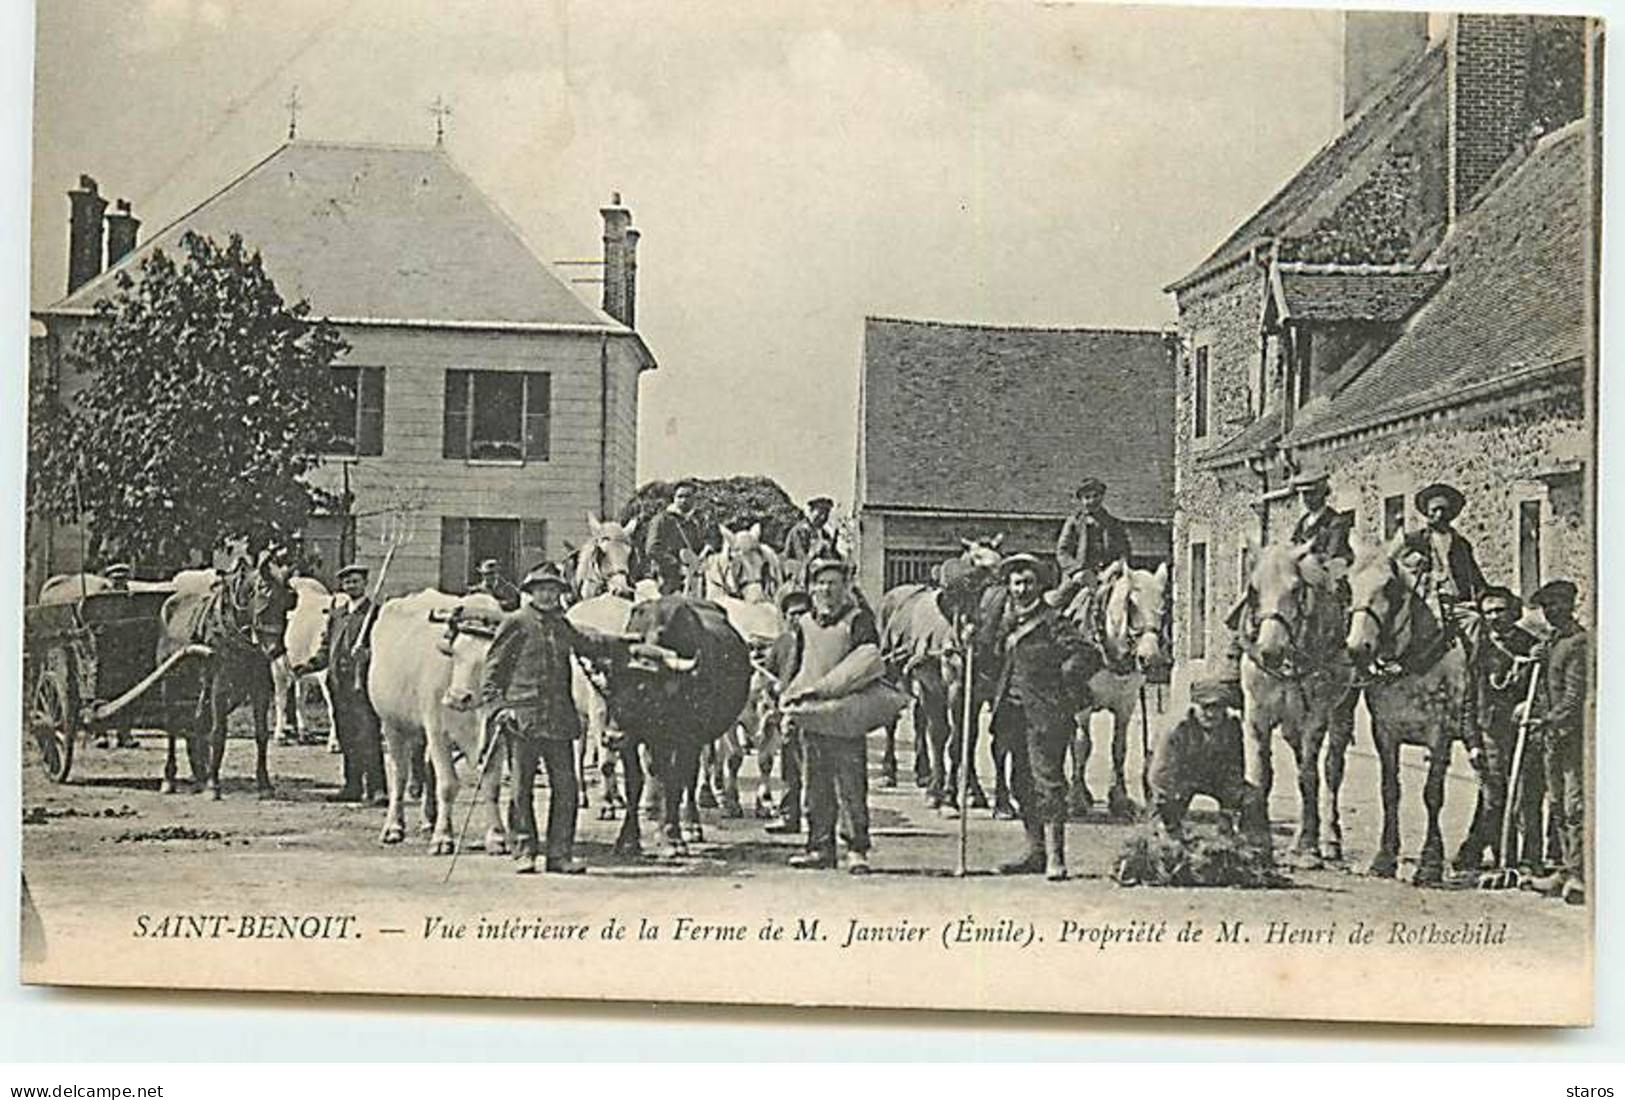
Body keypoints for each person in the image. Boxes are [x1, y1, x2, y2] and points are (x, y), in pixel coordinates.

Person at [480, 562, 628, 875]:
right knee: (521, 789)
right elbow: (492, 673)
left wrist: (624, 642)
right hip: (522, 719)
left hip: (560, 719)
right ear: (531, 593)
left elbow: (588, 645)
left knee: (567, 788)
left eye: (553, 590)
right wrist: (499, 709)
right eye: (542, 590)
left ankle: (560, 854)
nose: (548, 596)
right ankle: (524, 851)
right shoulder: (516, 623)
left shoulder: (562, 624)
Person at [778, 557, 882, 874]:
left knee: (850, 784)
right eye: (819, 584)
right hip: (812, 716)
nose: (825, 590)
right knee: (814, 783)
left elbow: (868, 662)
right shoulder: (805, 625)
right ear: (810, 589)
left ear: (845, 587)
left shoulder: (858, 621)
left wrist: (830, 690)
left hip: (846, 714)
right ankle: (819, 846)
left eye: (832, 583)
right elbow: (796, 669)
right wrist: (787, 706)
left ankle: (856, 849)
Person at [988, 553, 1085, 880]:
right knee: (1020, 783)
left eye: (1028, 582)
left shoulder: (1054, 621)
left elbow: (1085, 654)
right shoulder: (1004, 623)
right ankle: (1034, 850)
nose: (1022, 589)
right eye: (1016, 583)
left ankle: (1057, 857)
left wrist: (1060, 682)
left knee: (1049, 784)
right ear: (1009, 587)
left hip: (1045, 715)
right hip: (1011, 713)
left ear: (1039, 585)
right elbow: (991, 658)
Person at [1453, 586, 1538, 873]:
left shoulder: (1532, 646)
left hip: (1524, 731)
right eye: (1488, 612)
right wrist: (1472, 741)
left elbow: (1546, 688)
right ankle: (1501, 854)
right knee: (1493, 796)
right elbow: (1470, 699)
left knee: (1525, 795)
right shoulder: (1481, 649)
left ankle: (1526, 860)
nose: (1494, 617)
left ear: (1514, 612)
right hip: (1489, 732)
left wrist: (1530, 704)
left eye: (1500, 610)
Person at [1522, 580, 1588, 905]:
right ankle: (1565, 866)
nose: (1550, 612)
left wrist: (1548, 719)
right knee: (1558, 804)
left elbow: (1575, 698)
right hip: (1552, 736)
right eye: (1546, 607)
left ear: (1570, 606)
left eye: (1557, 605)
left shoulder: (1578, 643)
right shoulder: (1552, 642)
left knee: (1575, 805)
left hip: (1573, 737)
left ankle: (1580, 874)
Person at [298, 564, 386, 804]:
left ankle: (378, 788)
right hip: (339, 684)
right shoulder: (338, 614)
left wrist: (368, 653)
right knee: (346, 736)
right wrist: (310, 665)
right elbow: (327, 648)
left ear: (364, 583)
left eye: (355, 581)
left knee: (368, 736)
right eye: (347, 583)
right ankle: (352, 785)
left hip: (364, 684)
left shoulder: (375, 613)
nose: (351, 586)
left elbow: (385, 648)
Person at [1147, 676, 1248, 840]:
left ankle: (1252, 841)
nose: (1211, 714)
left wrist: (1228, 812)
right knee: (1166, 834)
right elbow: (1160, 774)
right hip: (1179, 778)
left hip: (1212, 776)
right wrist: (1168, 818)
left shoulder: (1232, 726)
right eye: (1206, 707)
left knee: (1251, 797)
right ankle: (1162, 827)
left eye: (1218, 708)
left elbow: (1235, 768)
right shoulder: (1177, 728)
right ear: (1194, 705)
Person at [763, 586, 815, 835]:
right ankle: (789, 815)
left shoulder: (818, 639)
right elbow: (769, 674)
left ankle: (816, 819)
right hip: (787, 711)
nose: (797, 618)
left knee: (815, 768)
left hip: (812, 709)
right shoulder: (782, 642)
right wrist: (772, 692)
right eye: (792, 613)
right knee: (789, 767)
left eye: (803, 612)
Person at [1050, 477, 1131, 611]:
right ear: (1082, 500)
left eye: (1096, 496)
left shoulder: (1114, 524)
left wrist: (1117, 565)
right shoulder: (1073, 523)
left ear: (1102, 497)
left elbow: (1125, 551)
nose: (1092, 501)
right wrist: (1076, 571)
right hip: (1081, 575)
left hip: (1108, 575)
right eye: (1087, 497)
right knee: (1056, 604)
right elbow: (1062, 551)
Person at [1415, 483, 1487, 609]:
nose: (1439, 515)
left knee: (1474, 621)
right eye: (1434, 510)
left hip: (1457, 603)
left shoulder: (1460, 544)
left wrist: (1483, 597)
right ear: (1427, 512)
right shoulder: (1416, 541)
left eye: (1443, 510)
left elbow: (1474, 576)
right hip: (1425, 603)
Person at [642, 480, 707, 596]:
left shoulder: (694, 523)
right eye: (680, 496)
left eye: (688, 496)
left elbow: (697, 550)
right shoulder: (661, 520)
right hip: (666, 579)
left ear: (694, 500)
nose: (683, 500)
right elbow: (652, 549)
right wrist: (676, 566)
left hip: (692, 580)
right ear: (674, 498)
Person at [782, 497, 838, 591]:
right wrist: (815, 551)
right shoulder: (800, 531)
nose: (823, 517)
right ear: (811, 512)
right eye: (820, 513)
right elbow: (801, 556)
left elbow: (833, 556)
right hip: (799, 574)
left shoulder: (825, 534)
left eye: (826, 513)